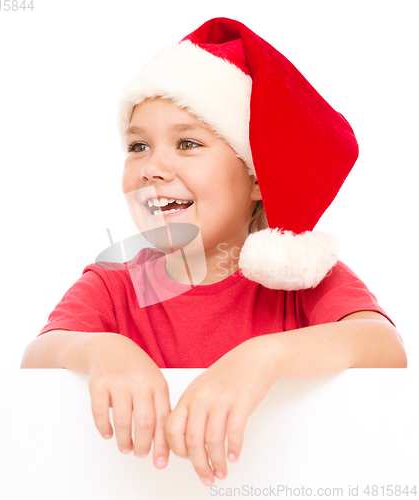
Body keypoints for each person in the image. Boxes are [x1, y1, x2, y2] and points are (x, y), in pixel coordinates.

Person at [21, 18, 407, 487]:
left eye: (187, 143)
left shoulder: (300, 278)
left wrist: (264, 359)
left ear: (256, 179)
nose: (153, 167)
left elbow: (385, 348)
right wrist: (102, 349)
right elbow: (37, 357)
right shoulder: (116, 284)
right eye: (138, 145)